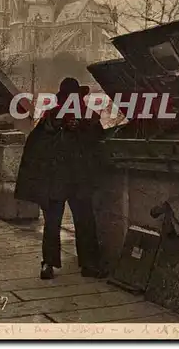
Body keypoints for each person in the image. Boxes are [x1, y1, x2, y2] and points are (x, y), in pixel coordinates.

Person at [14, 77, 106, 280]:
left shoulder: (51, 116)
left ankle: (49, 264)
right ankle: (89, 265)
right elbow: (101, 146)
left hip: (58, 181)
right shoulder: (85, 116)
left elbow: (36, 147)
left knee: (54, 223)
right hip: (76, 181)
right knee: (83, 222)